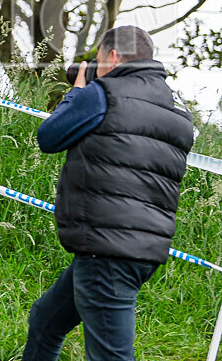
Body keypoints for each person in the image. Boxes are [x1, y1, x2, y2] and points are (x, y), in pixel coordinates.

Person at [22, 26, 195, 360]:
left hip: (106, 249)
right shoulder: (177, 112)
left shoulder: (102, 93)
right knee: (46, 320)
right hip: (141, 249)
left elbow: (49, 137)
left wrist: (78, 88)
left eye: (99, 57)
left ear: (112, 56)